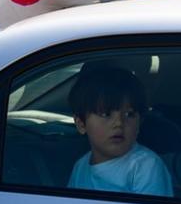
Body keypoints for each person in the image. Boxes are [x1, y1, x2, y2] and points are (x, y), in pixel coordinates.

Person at [67, 66, 173, 196]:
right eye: (106, 114)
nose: (119, 123)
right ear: (81, 124)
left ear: (139, 122)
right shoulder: (80, 166)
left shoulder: (144, 166)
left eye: (129, 114)